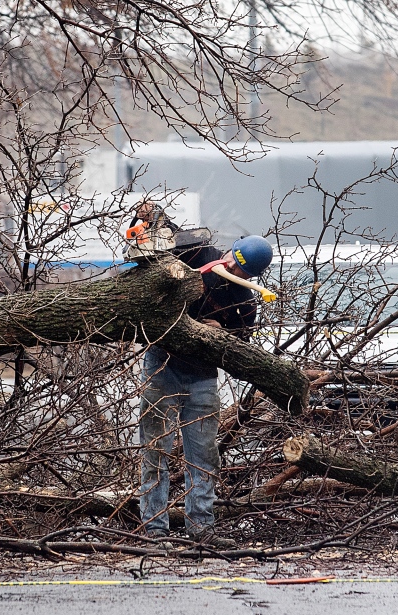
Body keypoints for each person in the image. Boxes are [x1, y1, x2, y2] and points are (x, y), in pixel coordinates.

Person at [134, 203, 273, 550]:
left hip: (202, 379)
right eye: (232, 259)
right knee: (155, 452)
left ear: (249, 277)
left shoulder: (244, 301)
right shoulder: (197, 252)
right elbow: (159, 245)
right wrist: (152, 218)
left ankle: (201, 528)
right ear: (230, 250)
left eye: (239, 270)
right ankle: (154, 530)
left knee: (204, 456)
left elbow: (239, 345)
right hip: (161, 365)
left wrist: (219, 332)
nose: (230, 268)